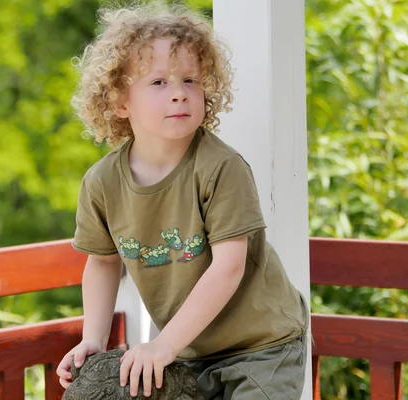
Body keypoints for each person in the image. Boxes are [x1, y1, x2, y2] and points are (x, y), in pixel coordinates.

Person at [56, 2, 309, 399]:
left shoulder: (220, 167)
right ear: (120, 101)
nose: (179, 95)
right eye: (158, 83)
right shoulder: (102, 182)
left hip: (262, 344)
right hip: (191, 348)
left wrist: (163, 345)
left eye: (190, 80)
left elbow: (229, 267)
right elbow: (103, 264)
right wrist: (93, 338)